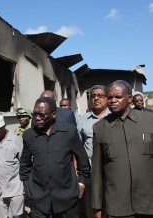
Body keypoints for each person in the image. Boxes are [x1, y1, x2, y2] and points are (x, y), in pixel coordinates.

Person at [20, 97, 90, 217]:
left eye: (42, 115)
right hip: (39, 201)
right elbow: (25, 165)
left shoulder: (69, 132)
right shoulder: (29, 136)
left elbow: (83, 159)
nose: (37, 118)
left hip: (67, 200)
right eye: (35, 114)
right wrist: (28, 188)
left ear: (53, 114)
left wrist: (82, 183)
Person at [92, 80, 153, 218]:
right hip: (117, 206)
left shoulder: (150, 121)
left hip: (149, 202)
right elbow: (97, 172)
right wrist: (97, 206)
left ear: (129, 98)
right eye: (110, 97)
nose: (113, 100)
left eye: (118, 97)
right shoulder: (100, 128)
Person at [78, 85, 110, 218]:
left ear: (107, 98)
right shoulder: (83, 120)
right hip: (90, 173)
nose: (96, 98)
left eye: (100, 95)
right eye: (93, 96)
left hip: (111, 171)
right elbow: (78, 148)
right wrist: (81, 178)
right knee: (92, 207)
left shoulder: (114, 117)